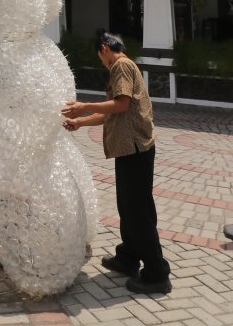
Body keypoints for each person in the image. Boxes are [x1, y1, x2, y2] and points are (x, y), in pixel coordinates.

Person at [62, 33, 171, 295]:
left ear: (104, 49)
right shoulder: (127, 66)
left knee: (138, 210)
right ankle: (128, 256)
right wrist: (80, 121)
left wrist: (84, 105)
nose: (102, 61)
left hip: (135, 149)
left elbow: (120, 105)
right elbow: (111, 112)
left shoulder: (121, 65)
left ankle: (157, 273)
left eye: (100, 57)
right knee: (128, 206)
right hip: (131, 149)